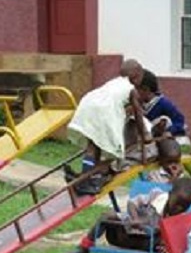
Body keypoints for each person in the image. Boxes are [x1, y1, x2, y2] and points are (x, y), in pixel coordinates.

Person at [61, 177, 191, 253]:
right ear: (170, 193)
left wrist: (154, 231)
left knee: (163, 248)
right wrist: (135, 218)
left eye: (185, 206)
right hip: (125, 235)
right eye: (177, 203)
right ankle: (83, 249)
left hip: (148, 244)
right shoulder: (156, 195)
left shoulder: (180, 219)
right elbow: (133, 202)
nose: (179, 208)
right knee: (107, 216)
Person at [64, 58, 151, 194]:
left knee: (94, 144)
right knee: (115, 154)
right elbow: (138, 116)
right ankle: (85, 180)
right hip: (104, 111)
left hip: (88, 104)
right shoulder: (131, 90)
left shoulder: (114, 83)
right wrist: (145, 136)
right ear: (137, 76)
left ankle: (84, 177)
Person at [138, 70, 188, 142]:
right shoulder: (138, 104)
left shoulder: (163, 104)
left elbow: (180, 120)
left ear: (146, 89)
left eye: (136, 89)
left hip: (164, 140)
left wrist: (171, 131)